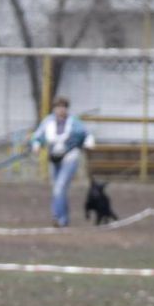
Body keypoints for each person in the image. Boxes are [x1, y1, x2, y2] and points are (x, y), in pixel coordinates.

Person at [28, 96, 94, 227]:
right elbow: (38, 136)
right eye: (58, 107)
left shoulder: (74, 122)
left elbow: (86, 135)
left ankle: (58, 218)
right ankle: (62, 217)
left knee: (60, 187)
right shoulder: (48, 121)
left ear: (67, 108)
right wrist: (36, 145)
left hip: (70, 157)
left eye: (63, 107)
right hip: (54, 159)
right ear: (54, 108)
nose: (60, 110)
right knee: (57, 189)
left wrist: (88, 143)